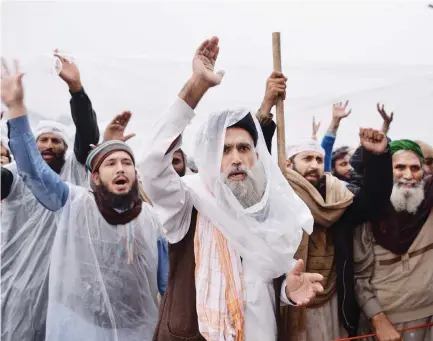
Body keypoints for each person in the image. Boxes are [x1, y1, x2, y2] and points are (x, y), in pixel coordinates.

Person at [143, 36, 324, 341]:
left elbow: (261, 282)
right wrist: (196, 87)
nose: (236, 158)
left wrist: (287, 292)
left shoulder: (267, 210)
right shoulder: (189, 204)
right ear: (209, 159)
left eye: (244, 148)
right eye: (224, 150)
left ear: (257, 157)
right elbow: (150, 164)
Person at [2, 62, 166, 341]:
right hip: (80, 328)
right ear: (95, 177)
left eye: (126, 162)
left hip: (138, 331)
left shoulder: (150, 219)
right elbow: (33, 171)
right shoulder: (74, 204)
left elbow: (167, 282)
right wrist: (17, 108)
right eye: (111, 163)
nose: (120, 168)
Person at [1, 55, 100, 341]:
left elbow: (87, 136)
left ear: (65, 148)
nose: (48, 145)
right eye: (42, 140)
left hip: (66, 285)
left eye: (55, 141)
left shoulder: (74, 172)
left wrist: (77, 90)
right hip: (17, 283)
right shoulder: (13, 174)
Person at [279, 129, 392, 340]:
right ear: (288, 164)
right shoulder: (277, 201)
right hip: (291, 300)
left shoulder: (338, 198)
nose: (314, 165)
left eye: (319, 159)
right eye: (307, 158)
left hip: (332, 299)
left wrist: (378, 157)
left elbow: (373, 203)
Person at [354, 139, 433, 341]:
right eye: (400, 167)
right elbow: (359, 278)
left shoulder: (429, 207)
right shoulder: (368, 214)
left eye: (415, 168)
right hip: (385, 326)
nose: (408, 175)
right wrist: (377, 319)